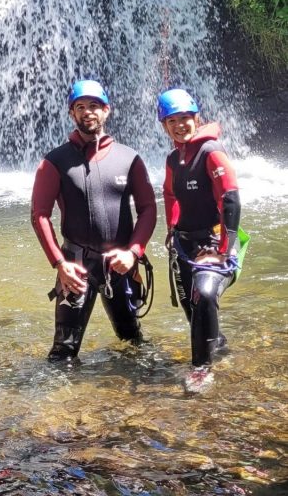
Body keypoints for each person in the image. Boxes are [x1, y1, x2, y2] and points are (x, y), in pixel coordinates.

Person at [31, 79, 157, 361]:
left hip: (120, 266)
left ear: (106, 110)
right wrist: (59, 264)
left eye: (94, 106)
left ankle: (136, 402)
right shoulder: (54, 162)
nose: (88, 112)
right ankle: (63, 407)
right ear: (71, 113)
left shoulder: (129, 158)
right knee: (63, 351)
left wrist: (134, 252)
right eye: (80, 107)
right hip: (75, 266)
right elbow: (39, 215)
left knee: (133, 342)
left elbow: (148, 209)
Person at [158, 87, 242, 394]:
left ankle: (200, 370)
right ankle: (219, 348)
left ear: (197, 118)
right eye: (172, 121)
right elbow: (170, 194)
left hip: (214, 241)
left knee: (204, 294)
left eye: (185, 118)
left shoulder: (211, 151)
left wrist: (224, 250)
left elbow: (230, 198)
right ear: (164, 126)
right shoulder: (172, 158)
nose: (180, 125)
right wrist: (171, 229)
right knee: (191, 308)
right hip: (184, 243)